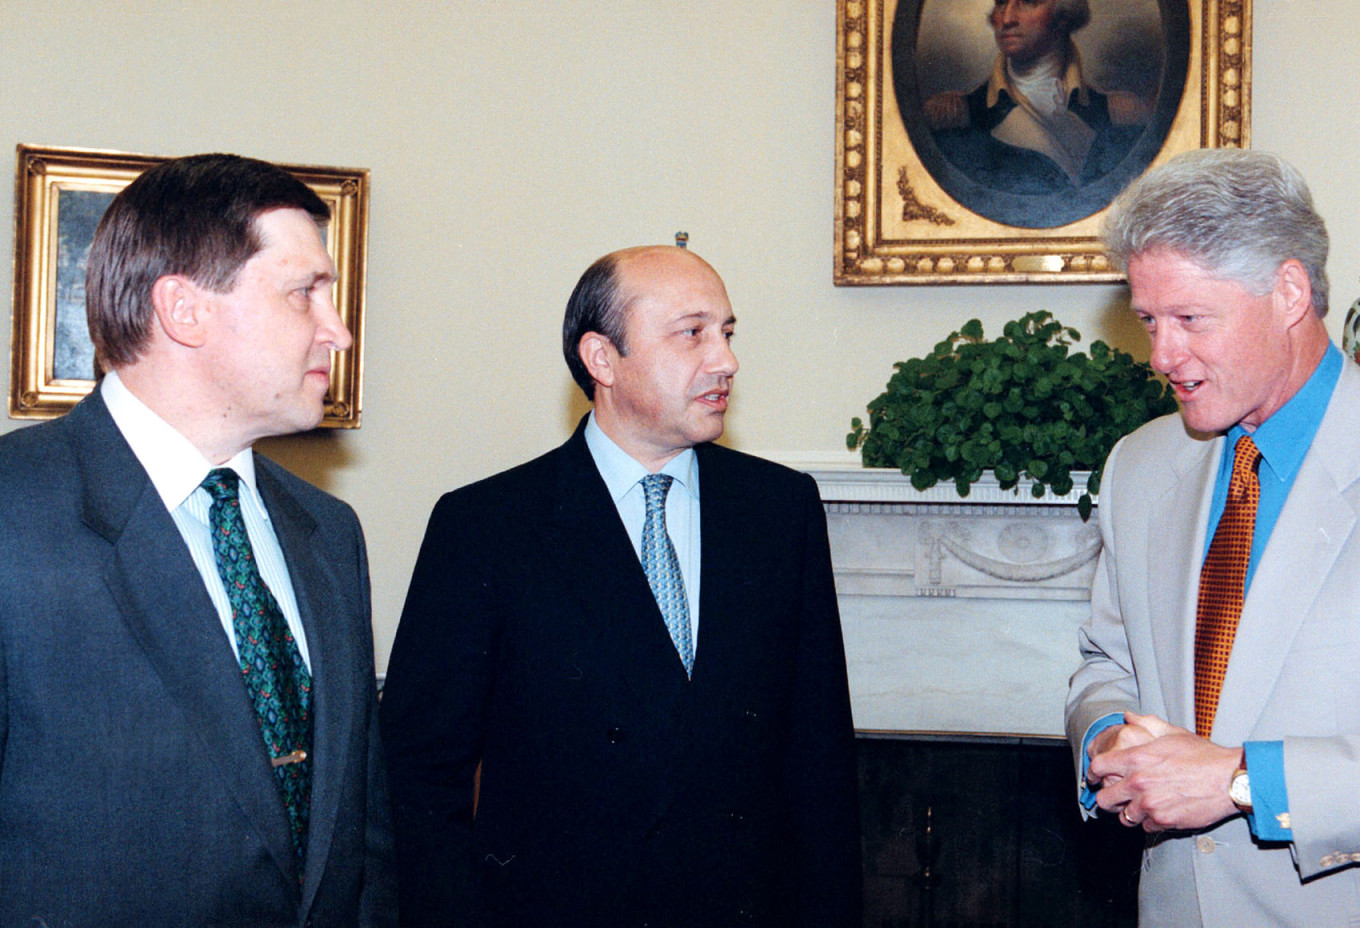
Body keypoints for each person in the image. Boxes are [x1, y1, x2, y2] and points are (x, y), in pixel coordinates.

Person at [380, 245, 861, 927]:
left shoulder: (781, 510)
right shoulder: (487, 526)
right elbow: (421, 777)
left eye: (727, 333)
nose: (726, 360)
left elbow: (821, 764)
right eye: (692, 333)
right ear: (602, 359)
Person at [0, 154, 395, 926]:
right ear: (184, 310)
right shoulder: (16, 512)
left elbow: (364, 841)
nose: (339, 332)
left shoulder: (327, 530)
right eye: (304, 293)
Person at [1065, 148, 1360, 925]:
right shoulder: (1139, 465)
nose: (1161, 356)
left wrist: (1242, 783)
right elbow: (1107, 662)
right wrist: (1109, 741)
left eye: (1191, 319)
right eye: (1149, 321)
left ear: (1289, 293)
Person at [925, 0, 1150, 195]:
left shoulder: (1118, 116)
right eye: (1001, 2)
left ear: (1064, 15)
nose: (1007, 19)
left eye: (1029, 1)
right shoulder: (956, 118)